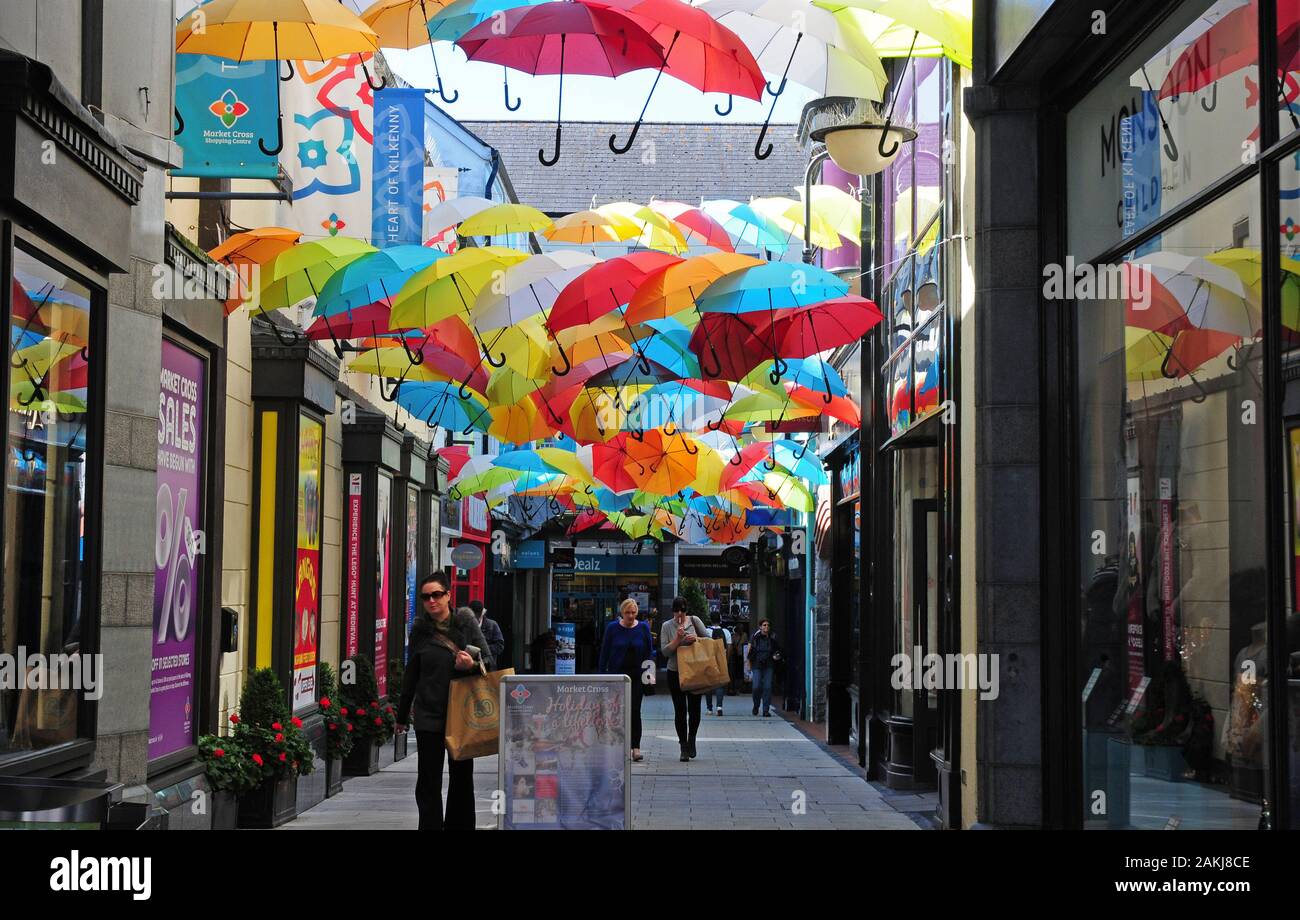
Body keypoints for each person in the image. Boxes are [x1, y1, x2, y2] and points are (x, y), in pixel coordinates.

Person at [396, 571, 493, 830]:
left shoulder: (465, 623)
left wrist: (471, 664)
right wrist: (402, 716)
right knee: (428, 781)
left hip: (461, 716)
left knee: (461, 780)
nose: (431, 601)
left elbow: (490, 661)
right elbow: (412, 674)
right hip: (429, 715)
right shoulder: (419, 631)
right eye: (426, 597)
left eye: (437, 595)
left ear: (448, 595)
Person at [597, 597, 655, 762]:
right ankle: (618, 746)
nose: (630, 616)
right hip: (617, 676)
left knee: (635, 711)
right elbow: (605, 652)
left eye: (633, 612)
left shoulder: (643, 627)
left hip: (637, 676)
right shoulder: (612, 628)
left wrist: (650, 678)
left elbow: (649, 652)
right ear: (621, 612)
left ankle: (635, 747)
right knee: (617, 711)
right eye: (627, 612)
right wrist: (602, 675)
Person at [660, 596, 708, 762]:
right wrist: (678, 640)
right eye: (676, 610)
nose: (679, 614)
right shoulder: (667, 626)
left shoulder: (694, 621)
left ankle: (692, 737)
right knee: (680, 710)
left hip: (695, 671)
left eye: (682, 610)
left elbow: (708, 640)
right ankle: (683, 746)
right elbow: (665, 652)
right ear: (672, 611)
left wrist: (696, 639)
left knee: (694, 709)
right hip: (676, 672)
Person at [747, 619, 781, 717]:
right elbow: (749, 652)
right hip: (757, 664)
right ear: (760, 627)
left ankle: (766, 710)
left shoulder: (773, 638)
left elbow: (777, 650)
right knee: (756, 687)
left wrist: (776, 656)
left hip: (768, 665)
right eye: (764, 625)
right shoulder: (755, 637)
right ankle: (756, 705)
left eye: (768, 625)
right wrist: (748, 664)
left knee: (768, 687)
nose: (766, 627)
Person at [705, 614, 731, 716]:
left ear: (710, 620)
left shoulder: (707, 631)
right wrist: (726, 661)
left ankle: (709, 709)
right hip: (721, 660)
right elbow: (729, 647)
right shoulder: (726, 632)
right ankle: (719, 707)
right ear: (720, 620)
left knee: (709, 685)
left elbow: (703, 646)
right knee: (719, 685)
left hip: (709, 660)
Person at [468, 599, 505, 664]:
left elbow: (499, 646)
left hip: (488, 666)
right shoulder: (465, 626)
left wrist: (481, 649)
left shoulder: (493, 625)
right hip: (469, 667)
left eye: (477, 617)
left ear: (482, 613)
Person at [729, 623, 748, 695]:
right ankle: (735, 688)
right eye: (740, 628)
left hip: (742, 655)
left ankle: (741, 688)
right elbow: (732, 645)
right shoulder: (734, 636)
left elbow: (746, 644)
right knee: (735, 672)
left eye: (742, 628)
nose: (741, 630)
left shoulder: (745, 635)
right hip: (735, 656)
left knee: (741, 672)